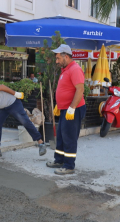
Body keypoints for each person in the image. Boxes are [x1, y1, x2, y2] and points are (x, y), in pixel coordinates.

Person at [46, 44, 86, 175]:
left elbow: (80, 89)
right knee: (62, 136)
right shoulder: (66, 70)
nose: (56, 61)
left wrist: (72, 108)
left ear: (66, 56)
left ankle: (69, 165)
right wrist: (60, 104)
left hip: (73, 110)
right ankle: (59, 160)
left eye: (58, 58)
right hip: (65, 109)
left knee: (69, 137)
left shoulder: (75, 69)